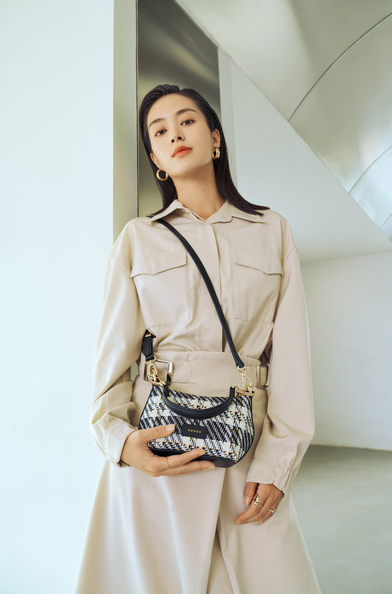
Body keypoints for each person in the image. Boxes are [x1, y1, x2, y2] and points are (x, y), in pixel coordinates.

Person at [75, 84, 321, 594]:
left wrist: (279, 464)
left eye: (186, 121)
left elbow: (292, 358)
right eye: (159, 131)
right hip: (158, 447)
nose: (174, 135)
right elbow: (112, 358)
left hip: (247, 447)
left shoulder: (272, 230)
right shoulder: (138, 238)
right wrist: (121, 443)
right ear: (156, 161)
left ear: (215, 138)